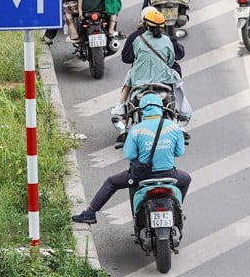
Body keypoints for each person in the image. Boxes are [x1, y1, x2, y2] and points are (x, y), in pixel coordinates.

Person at [72, 92, 191, 224]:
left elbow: (130, 155)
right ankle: (177, 210)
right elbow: (179, 152)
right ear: (160, 108)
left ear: (142, 110)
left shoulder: (136, 130)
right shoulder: (174, 127)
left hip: (141, 176)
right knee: (186, 179)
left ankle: (90, 213)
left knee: (111, 183)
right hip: (169, 174)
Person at [112, 7, 186, 116]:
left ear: (145, 22)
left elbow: (128, 58)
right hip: (163, 80)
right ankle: (181, 112)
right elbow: (170, 62)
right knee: (177, 83)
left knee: (130, 75)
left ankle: (121, 107)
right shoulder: (167, 39)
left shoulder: (137, 38)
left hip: (139, 80)